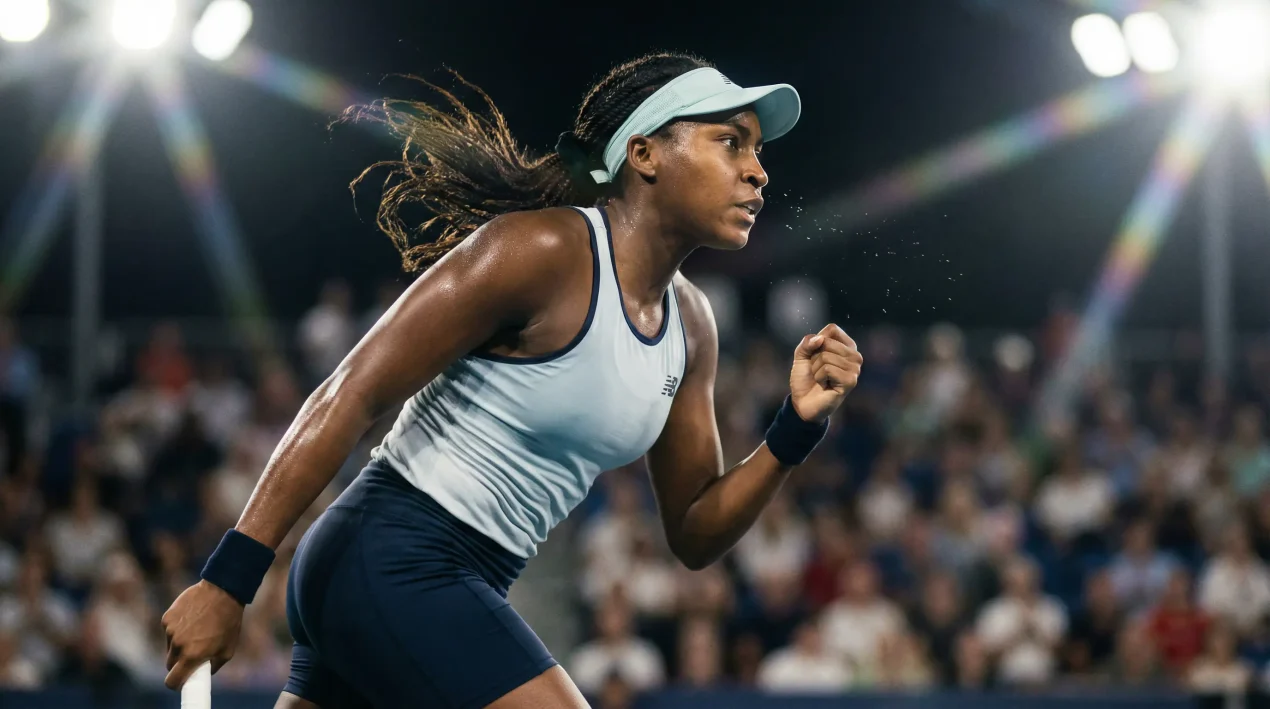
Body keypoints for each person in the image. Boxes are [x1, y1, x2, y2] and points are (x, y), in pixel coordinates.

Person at [160, 51, 862, 708]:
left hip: (442, 581)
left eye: (757, 151)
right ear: (644, 153)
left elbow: (695, 532)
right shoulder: (540, 250)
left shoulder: (693, 325)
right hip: (389, 557)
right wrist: (229, 578)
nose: (757, 172)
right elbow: (351, 393)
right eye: (730, 142)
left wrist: (793, 430)